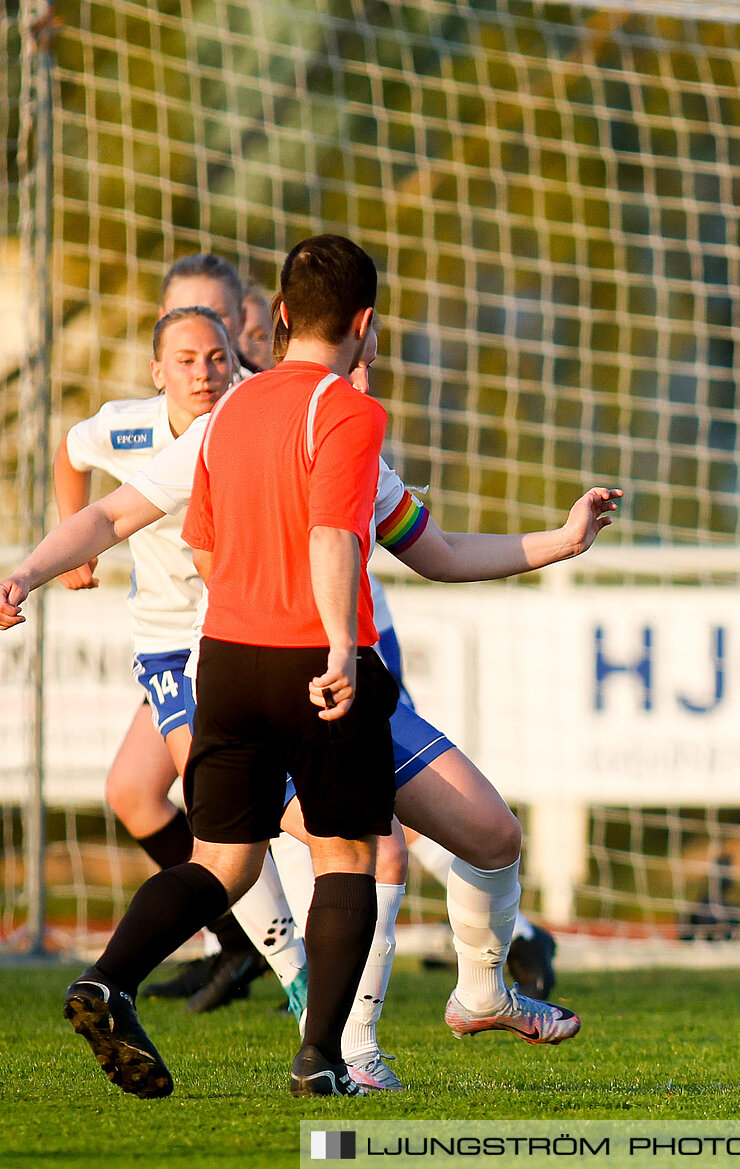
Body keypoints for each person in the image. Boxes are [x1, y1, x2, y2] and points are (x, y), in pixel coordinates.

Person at [5, 345, 615, 1094]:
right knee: (356, 856)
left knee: (239, 861)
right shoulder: (336, 418)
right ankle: (336, 1053)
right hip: (324, 672)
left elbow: (127, 519)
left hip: (229, 670)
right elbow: (357, 543)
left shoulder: (229, 421)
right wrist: (331, 637)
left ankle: (110, 982)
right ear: (355, 336)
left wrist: (25, 573)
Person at [58, 258, 282, 1014]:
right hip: (171, 642)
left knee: (291, 815)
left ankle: (282, 957)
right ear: (160, 361)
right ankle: (250, 945)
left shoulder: (259, 411)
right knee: (143, 790)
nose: (203, 364)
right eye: (183, 345)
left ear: (239, 333)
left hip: (254, 633)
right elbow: (72, 449)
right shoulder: (129, 423)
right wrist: (72, 543)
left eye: (217, 340)